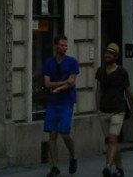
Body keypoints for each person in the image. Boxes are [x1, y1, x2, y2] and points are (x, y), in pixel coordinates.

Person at [42, 35, 79, 176]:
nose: (64, 47)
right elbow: (46, 83)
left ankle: (73, 155)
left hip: (66, 102)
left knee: (64, 133)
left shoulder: (72, 62)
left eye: (66, 45)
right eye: (62, 45)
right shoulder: (49, 63)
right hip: (52, 103)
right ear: (56, 46)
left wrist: (57, 87)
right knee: (52, 135)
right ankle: (55, 166)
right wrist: (62, 83)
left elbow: (72, 82)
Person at [95, 42, 133, 177]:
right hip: (103, 111)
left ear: (116, 56)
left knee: (112, 139)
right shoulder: (100, 71)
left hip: (118, 110)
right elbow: (98, 90)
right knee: (112, 141)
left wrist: (132, 110)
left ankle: (108, 167)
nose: (107, 55)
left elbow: (128, 92)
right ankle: (120, 168)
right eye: (106, 52)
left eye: (111, 53)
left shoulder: (122, 72)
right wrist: (97, 108)